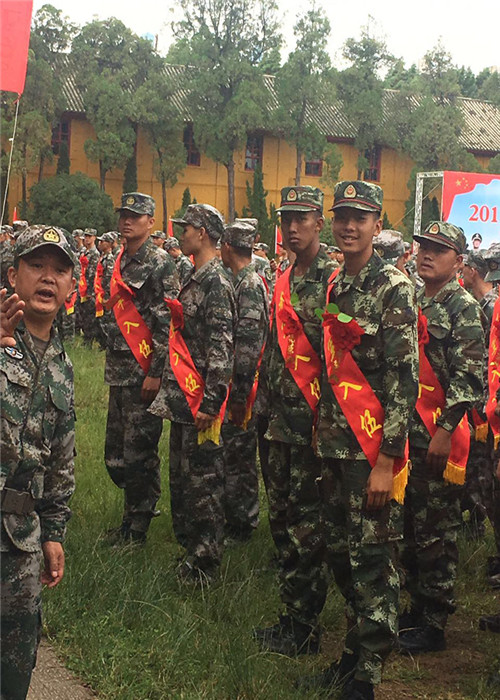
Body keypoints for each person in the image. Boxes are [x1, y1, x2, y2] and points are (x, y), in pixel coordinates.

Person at [304, 181, 418, 700]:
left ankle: (368, 676)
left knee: (371, 560)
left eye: (360, 217)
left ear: (378, 224)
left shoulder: (394, 287)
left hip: (370, 452)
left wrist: (387, 461)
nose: (349, 226)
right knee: (339, 554)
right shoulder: (335, 283)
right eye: (342, 216)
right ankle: (353, 653)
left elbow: (403, 378)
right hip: (333, 445)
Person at [254, 186, 334, 657]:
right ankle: (292, 614)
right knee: (282, 519)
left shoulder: (333, 280)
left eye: (302, 219)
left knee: (307, 526)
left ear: (319, 224)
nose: (292, 227)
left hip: (313, 427)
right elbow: (274, 352)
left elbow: (340, 358)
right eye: (286, 219)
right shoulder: (283, 276)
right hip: (277, 422)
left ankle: (305, 627)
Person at [399, 221, 484, 655]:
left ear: (459, 260)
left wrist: (446, 430)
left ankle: (434, 621)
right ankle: (416, 606)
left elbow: (470, 378)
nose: (427, 254)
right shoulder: (413, 298)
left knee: (436, 528)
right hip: (406, 434)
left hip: (438, 435)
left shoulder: (462, 307)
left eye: (439, 249)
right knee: (411, 526)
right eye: (423, 247)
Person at [1, 225, 77, 700]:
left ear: (71, 286)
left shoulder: (62, 367)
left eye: (60, 270)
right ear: (13, 275)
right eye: (36, 266)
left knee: (13, 670)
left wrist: (53, 532)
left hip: (22, 541)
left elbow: (61, 460)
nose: (48, 277)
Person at [149, 204, 235, 582]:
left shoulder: (216, 282)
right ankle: (190, 553)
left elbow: (221, 348)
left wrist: (212, 403)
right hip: (182, 399)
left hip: (202, 402)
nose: (180, 233)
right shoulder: (193, 275)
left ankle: (205, 564)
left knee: (204, 484)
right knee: (185, 481)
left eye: (186, 228)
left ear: (202, 233)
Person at [103, 192, 179, 545]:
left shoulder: (161, 263)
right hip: (118, 368)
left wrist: (156, 372)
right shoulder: (118, 260)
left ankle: (137, 526)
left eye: (135, 216)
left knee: (139, 452)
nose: (127, 221)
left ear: (151, 222)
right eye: (124, 214)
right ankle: (135, 511)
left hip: (143, 370)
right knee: (115, 453)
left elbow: (167, 321)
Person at [220, 220, 269, 542]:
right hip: (239, 385)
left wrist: (239, 395)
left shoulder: (249, 283)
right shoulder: (242, 279)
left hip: (244, 389)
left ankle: (243, 523)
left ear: (227, 247)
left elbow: (248, 346)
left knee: (239, 456)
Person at [79, 227, 99, 347]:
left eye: (89, 236)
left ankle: (89, 340)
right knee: (83, 314)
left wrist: (91, 292)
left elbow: (92, 274)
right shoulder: (84, 252)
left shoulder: (95, 254)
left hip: (89, 289)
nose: (87, 239)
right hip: (82, 287)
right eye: (86, 236)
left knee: (89, 315)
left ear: (94, 238)